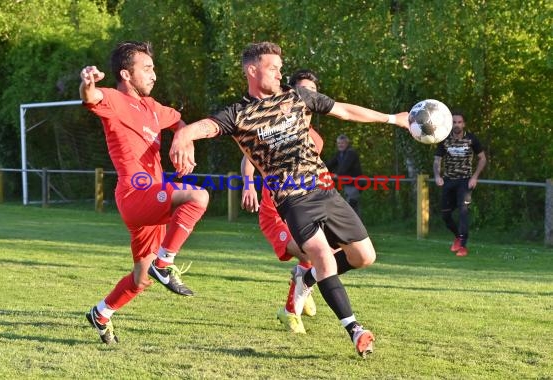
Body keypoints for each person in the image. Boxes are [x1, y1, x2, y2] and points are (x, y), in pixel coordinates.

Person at [170, 41, 409, 357]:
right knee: (323, 256)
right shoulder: (238, 114)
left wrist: (393, 118)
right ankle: (355, 330)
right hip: (293, 201)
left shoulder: (299, 97)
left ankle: (305, 279)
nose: (279, 73)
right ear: (252, 70)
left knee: (364, 257)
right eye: (273, 68)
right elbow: (201, 127)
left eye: (281, 68)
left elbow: (345, 110)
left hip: (325, 191)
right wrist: (182, 136)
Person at [79, 41, 209, 344]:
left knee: (140, 279)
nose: (154, 75)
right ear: (126, 74)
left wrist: (184, 141)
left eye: (154, 69)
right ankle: (166, 262)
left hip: (153, 200)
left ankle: (101, 313)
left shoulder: (152, 108)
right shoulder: (113, 99)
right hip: (135, 194)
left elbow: (179, 122)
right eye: (147, 69)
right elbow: (91, 96)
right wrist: (86, 82)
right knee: (198, 196)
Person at [241, 69, 332, 334]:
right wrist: (249, 185)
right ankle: (291, 308)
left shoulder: (315, 138)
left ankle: (300, 291)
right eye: (301, 90)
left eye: (311, 92)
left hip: (304, 210)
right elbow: (248, 157)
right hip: (275, 213)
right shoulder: (274, 125)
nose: (306, 95)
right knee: (313, 256)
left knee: (323, 255)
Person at [433, 110, 486, 257]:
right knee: (445, 215)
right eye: (454, 122)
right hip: (448, 181)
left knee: (463, 211)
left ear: (464, 124)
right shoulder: (444, 139)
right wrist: (437, 176)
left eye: (459, 122)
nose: (456, 125)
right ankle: (457, 236)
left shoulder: (471, 139)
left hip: (465, 181)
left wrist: (474, 177)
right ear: (450, 124)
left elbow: (482, 158)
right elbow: (437, 160)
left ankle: (463, 246)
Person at [326, 134, 363, 216]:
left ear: (347, 143)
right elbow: (330, 163)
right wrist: (321, 169)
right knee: (352, 206)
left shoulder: (351, 153)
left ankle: (354, 225)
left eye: (342, 143)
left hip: (354, 183)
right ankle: (357, 226)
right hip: (347, 183)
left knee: (350, 205)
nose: (340, 145)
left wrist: (337, 175)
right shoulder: (339, 153)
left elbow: (344, 167)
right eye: (338, 143)